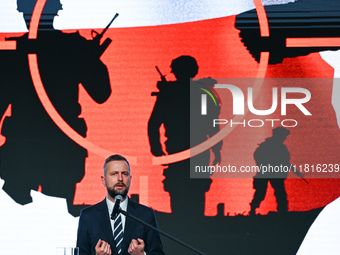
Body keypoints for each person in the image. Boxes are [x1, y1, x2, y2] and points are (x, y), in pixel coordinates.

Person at [0, 0, 111, 216]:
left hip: (29, 145)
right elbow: (101, 94)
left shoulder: (13, 50)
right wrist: (91, 59)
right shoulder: (73, 47)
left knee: (29, 211)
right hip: (56, 145)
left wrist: (91, 60)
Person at [148, 56, 222, 215]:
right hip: (197, 149)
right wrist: (217, 149)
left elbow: (153, 123)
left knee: (180, 190)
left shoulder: (169, 93)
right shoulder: (202, 92)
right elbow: (213, 124)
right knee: (194, 191)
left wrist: (156, 148)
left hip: (178, 149)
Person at [76, 154, 165, 255]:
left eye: (124, 174)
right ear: (103, 180)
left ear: (130, 179)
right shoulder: (88, 216)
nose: (120, 179)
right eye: (114, 174)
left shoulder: (146, 215)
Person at [250, 127, 304, 215]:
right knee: (263, 192)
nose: (285, 137)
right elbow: (258, 156)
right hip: (268, 172)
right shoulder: (269, 145)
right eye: (283, 135)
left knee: (279, 192)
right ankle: (253, 209)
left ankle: (282, 211)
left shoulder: (278, 146)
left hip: (274, 173)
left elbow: (286, 162)